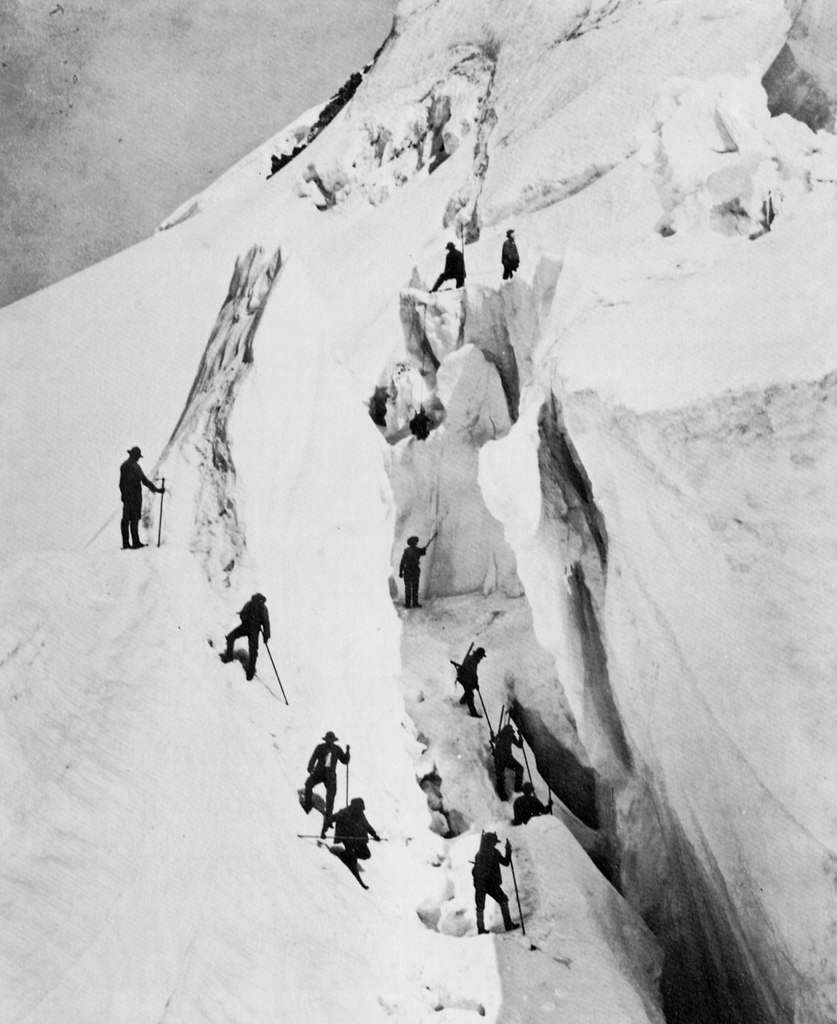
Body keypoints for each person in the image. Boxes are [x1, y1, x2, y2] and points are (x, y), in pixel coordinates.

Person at [303, 731, 351, 837]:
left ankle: (328, 820)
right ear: (326, 740)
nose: (330, 742)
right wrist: (310, 766)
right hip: (319, 772)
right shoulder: (320, 747)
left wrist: (347, 753)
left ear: (334, 741)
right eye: (328, 740)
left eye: (331, 740)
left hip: (331, 776)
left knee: (330, 798)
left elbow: (344, 761)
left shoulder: (337, 749)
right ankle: (308, 804)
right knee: (308, 784)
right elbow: (314, 757)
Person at [119, 446, 163, 550]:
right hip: (134, 498)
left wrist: (123, 495)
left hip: (127, 497)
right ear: (134, 456)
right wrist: (156, 490)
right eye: (137, 456)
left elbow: (120, 484)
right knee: (133, 519)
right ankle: (135, 542)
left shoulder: (124, 466)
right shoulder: (135, 467)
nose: (138, 458)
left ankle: (126, 543)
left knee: (126, 520)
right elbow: (144, 481)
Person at [472, 831, 516, 934]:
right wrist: (508, 851)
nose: (495, 844)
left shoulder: (481, 854)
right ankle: (508, 925)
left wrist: (507, 850)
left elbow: (505, 862)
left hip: (482, 884)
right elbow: (506, 862)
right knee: (502, 901)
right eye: (494, 842)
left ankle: (481, 929)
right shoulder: (492, 853)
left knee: (481, 906)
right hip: (487, 884)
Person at [220, 593, 270, 680]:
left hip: (248, 628)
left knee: (231, 637)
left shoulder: (251, 604)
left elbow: (243, 615)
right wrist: (266, 636)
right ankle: (250, 672)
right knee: (253, 650)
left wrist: (245, 618)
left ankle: (229, 657)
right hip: (252, 629)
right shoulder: (262, 608)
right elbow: (266, 623)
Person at [332, 796, 380, 868]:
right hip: (348, 838)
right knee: (353, 851)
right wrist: (324, 830)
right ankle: (347, 856)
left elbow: (367, 825)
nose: (361, 810)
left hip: (358, 839)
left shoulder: (360, 814)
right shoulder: (344, 812)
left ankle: (348, 855)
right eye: (359, 808)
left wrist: (374, 835)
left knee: (366, 854)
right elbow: (332, 818)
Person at [399, 534, 435, 609]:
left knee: (411, 587)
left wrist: (401, 572)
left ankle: (410, 604)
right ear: (412, 543)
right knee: (412, 587)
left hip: (410, 570)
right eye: (415, 541)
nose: (416, 542)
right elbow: (403, 562)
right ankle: (412, 603)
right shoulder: (412, 550)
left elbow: (402, 562)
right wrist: (400, 571)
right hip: (412, 570)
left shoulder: (411, 550)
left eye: (416, 541)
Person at [492, 719, 525, 800]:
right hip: (500, 758)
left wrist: (520, 736)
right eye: (510, 732)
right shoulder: (501, 735)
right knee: (500, 776)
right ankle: (502, 794)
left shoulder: (509, 735)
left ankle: (517, 788)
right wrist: (493, 737)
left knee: (519, 768)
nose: (510, 734)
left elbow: (519, 745)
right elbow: (494, 740)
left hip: (507, 758)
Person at [452, 645, 485, 718]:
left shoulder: (474, 660)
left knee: (470, 688)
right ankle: (473, 712)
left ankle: (463, 700)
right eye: (481, 656)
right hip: (463, 677)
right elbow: (471, 673)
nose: (481, 658)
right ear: (478, 655)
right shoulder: (472, 660)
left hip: (466, 677)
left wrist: (476, 683)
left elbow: (474, 674)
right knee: (470, 694)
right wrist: (474, 682)